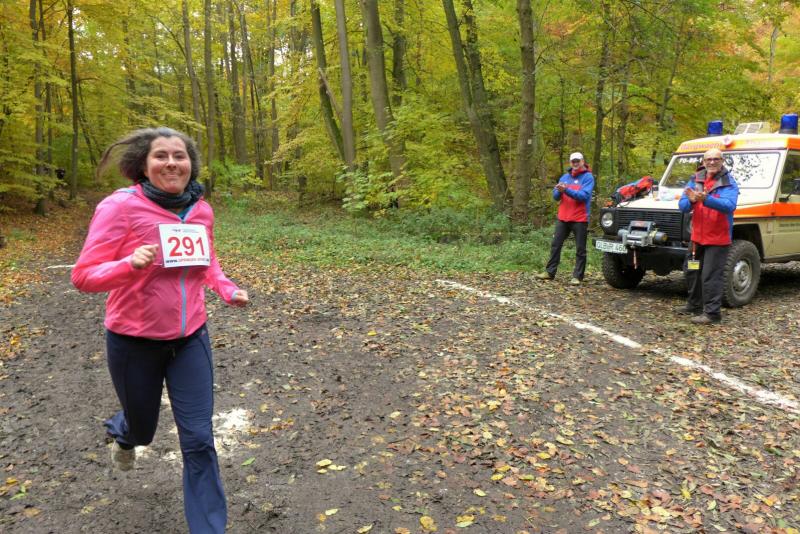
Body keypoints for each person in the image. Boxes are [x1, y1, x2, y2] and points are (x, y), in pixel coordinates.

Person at [71, 127, 249, 533]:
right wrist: (128, 264)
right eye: (161, 156)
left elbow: (207, 263)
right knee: (143, 430)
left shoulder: (200, 209)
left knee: (199, 438)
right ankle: (125, 432)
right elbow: (83, 276)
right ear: (143, 164)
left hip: (190, 339)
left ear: (191, 164)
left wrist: (227, 288)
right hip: (133, 342)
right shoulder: (120, 207)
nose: (172, 163)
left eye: (179, 156)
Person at [676, 148, 739, 325]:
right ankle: (694, 305)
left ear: (722, 161)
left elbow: (729, 205)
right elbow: (682, 206)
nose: (712, 162)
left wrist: (706, 199)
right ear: (703, 162)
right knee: (691, 270)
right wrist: (691, 200)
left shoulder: (728, 182)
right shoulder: (695, 179)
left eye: (716, 159)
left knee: (711, 275)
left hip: (717, 239)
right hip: (697, 238)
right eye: (708, 159)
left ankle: (712, 314)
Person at [535, 152, 595, 285]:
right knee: (555, 245)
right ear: (570, 163)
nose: (575, 163)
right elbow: (556, 197)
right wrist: (558, 190)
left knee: (580, 249)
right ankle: (550, 272)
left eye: (577, 161)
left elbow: (583, 196)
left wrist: (566, 190)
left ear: (582, 161)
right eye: (573, 161)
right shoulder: (565, 177)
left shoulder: (588, 177)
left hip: (580, 218)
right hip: (563, 217)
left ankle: (577, 277)